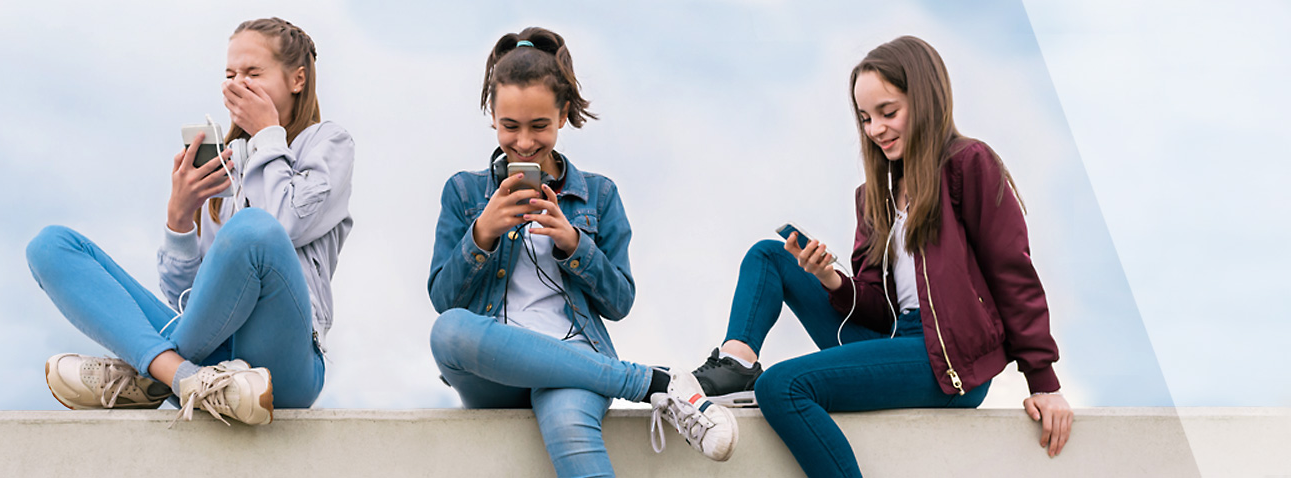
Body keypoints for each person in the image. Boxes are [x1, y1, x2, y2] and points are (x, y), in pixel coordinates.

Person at [684, 36, 1074, 477]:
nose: (875, 129)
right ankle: (736, 366)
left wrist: (1043, 382)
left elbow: (1012, 272)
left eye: (889, 113)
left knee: (782, 387)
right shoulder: (875, 197)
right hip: (893, 339)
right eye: (867, 118)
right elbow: (873, 303)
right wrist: (831, 280)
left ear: (925, 99)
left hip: (945, 358)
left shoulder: (969, 164)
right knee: (770, 256)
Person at [425, 27, 738, 478]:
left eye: (540, 126)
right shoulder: (464, 191)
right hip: (495, 368)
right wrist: (482, 233)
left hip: (576, 359)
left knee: (572, 430)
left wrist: (574, 244)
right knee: (447, 330)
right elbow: (443, 299)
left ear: (563, 114)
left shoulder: (600, 195)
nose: (525, 142)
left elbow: (620, 302)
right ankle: (652, 382)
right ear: (492, 115)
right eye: (510, 126)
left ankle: (644, 381)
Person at [26, 17, 355, 426]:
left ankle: (150, 373)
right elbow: (192, 300)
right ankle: (181, 377)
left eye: (253, 73)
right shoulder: (226, 163)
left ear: (297, 79)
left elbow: (286, 223)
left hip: (284, 365)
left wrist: (269, 136)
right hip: (207, 360)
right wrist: (179, 218)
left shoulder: (328, 143)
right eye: (231, 74)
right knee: (51, 245)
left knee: (254, 230)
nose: (238, 84)